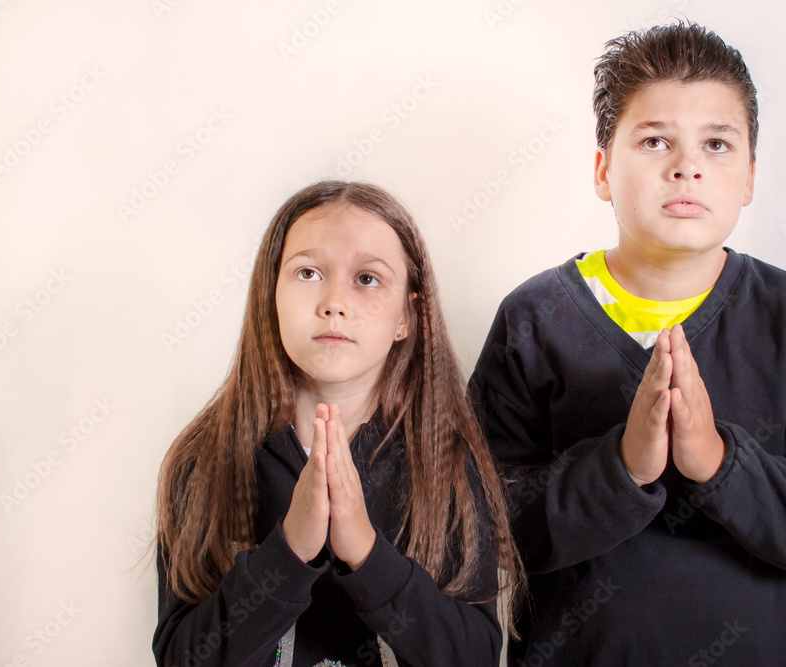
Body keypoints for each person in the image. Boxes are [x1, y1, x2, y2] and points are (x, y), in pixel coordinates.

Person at [469, 22, 786, 666]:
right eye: (655, 140)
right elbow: (479, 527)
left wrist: (720, 464)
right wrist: (622, 468)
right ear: (605, 170)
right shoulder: (536, 318)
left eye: (716, 144)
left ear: (749, 177)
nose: (686, 165)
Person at [154, 180, 520, 666]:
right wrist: (289, 552)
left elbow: (473, 657)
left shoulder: (447, 462)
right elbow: (183, 659)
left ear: (406, 317)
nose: (333, 302)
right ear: (271, 297)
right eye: (307, 272)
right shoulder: (204, 459)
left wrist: (368, 554)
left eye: (367, 279)